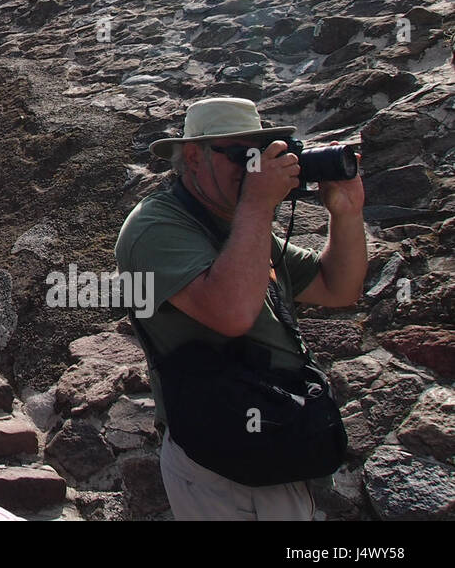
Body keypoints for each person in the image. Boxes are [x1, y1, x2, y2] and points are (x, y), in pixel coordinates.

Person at [116, 97, 367, 521]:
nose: (256, 168)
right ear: (193, 157)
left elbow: (337, 287)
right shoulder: (154, 227)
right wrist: (257, 204)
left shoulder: (239, 225)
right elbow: (231, 314)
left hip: (274, 439)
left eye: (264, 154)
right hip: (220, 455)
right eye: (243, 156)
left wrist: (346, 214)